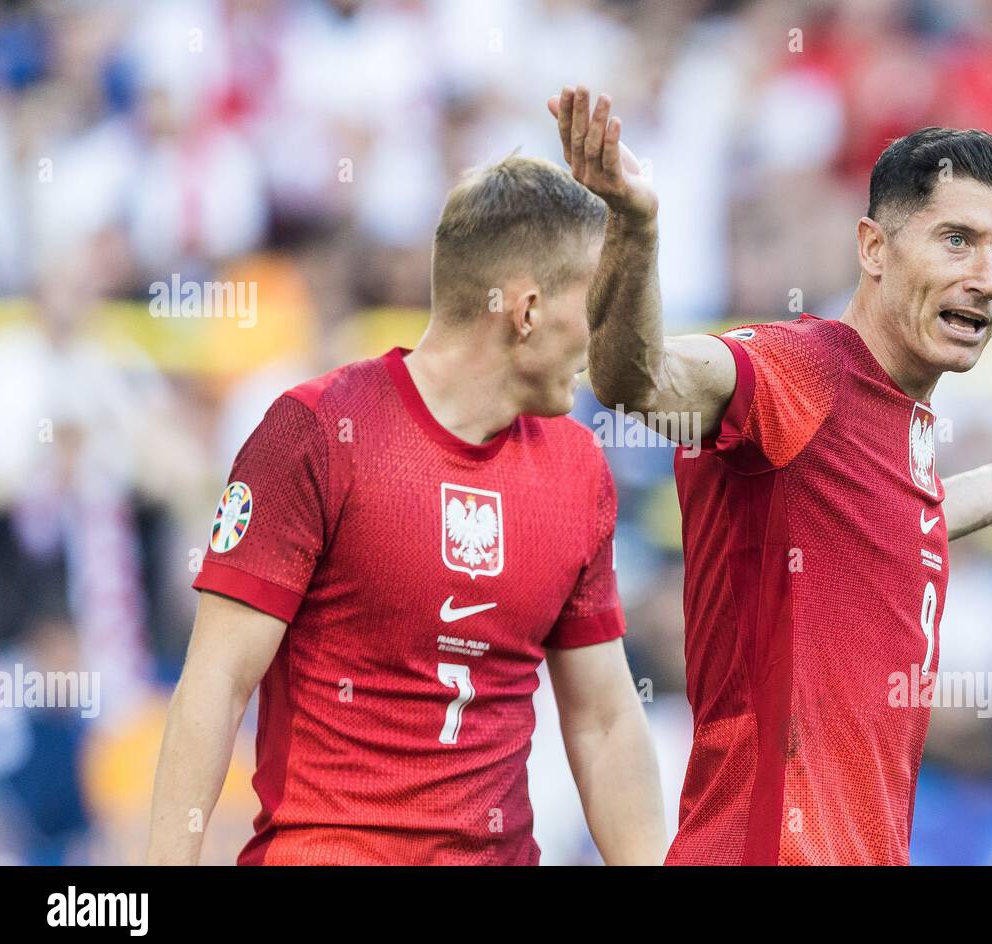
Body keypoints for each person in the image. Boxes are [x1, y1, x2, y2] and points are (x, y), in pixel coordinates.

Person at [549, 87, 992, 865]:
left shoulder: (898, 424)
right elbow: (636, 380)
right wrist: (634, 230)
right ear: (873, 248)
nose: (987, 275)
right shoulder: (798, 368)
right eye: (956, 240)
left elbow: (878, 531)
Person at [147, 156, 666, 865]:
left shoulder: (579, 470)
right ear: (528, 310)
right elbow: (216, 680)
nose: (601, 333)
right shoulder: (316, 430)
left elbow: (605, 719)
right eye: (593, 301)